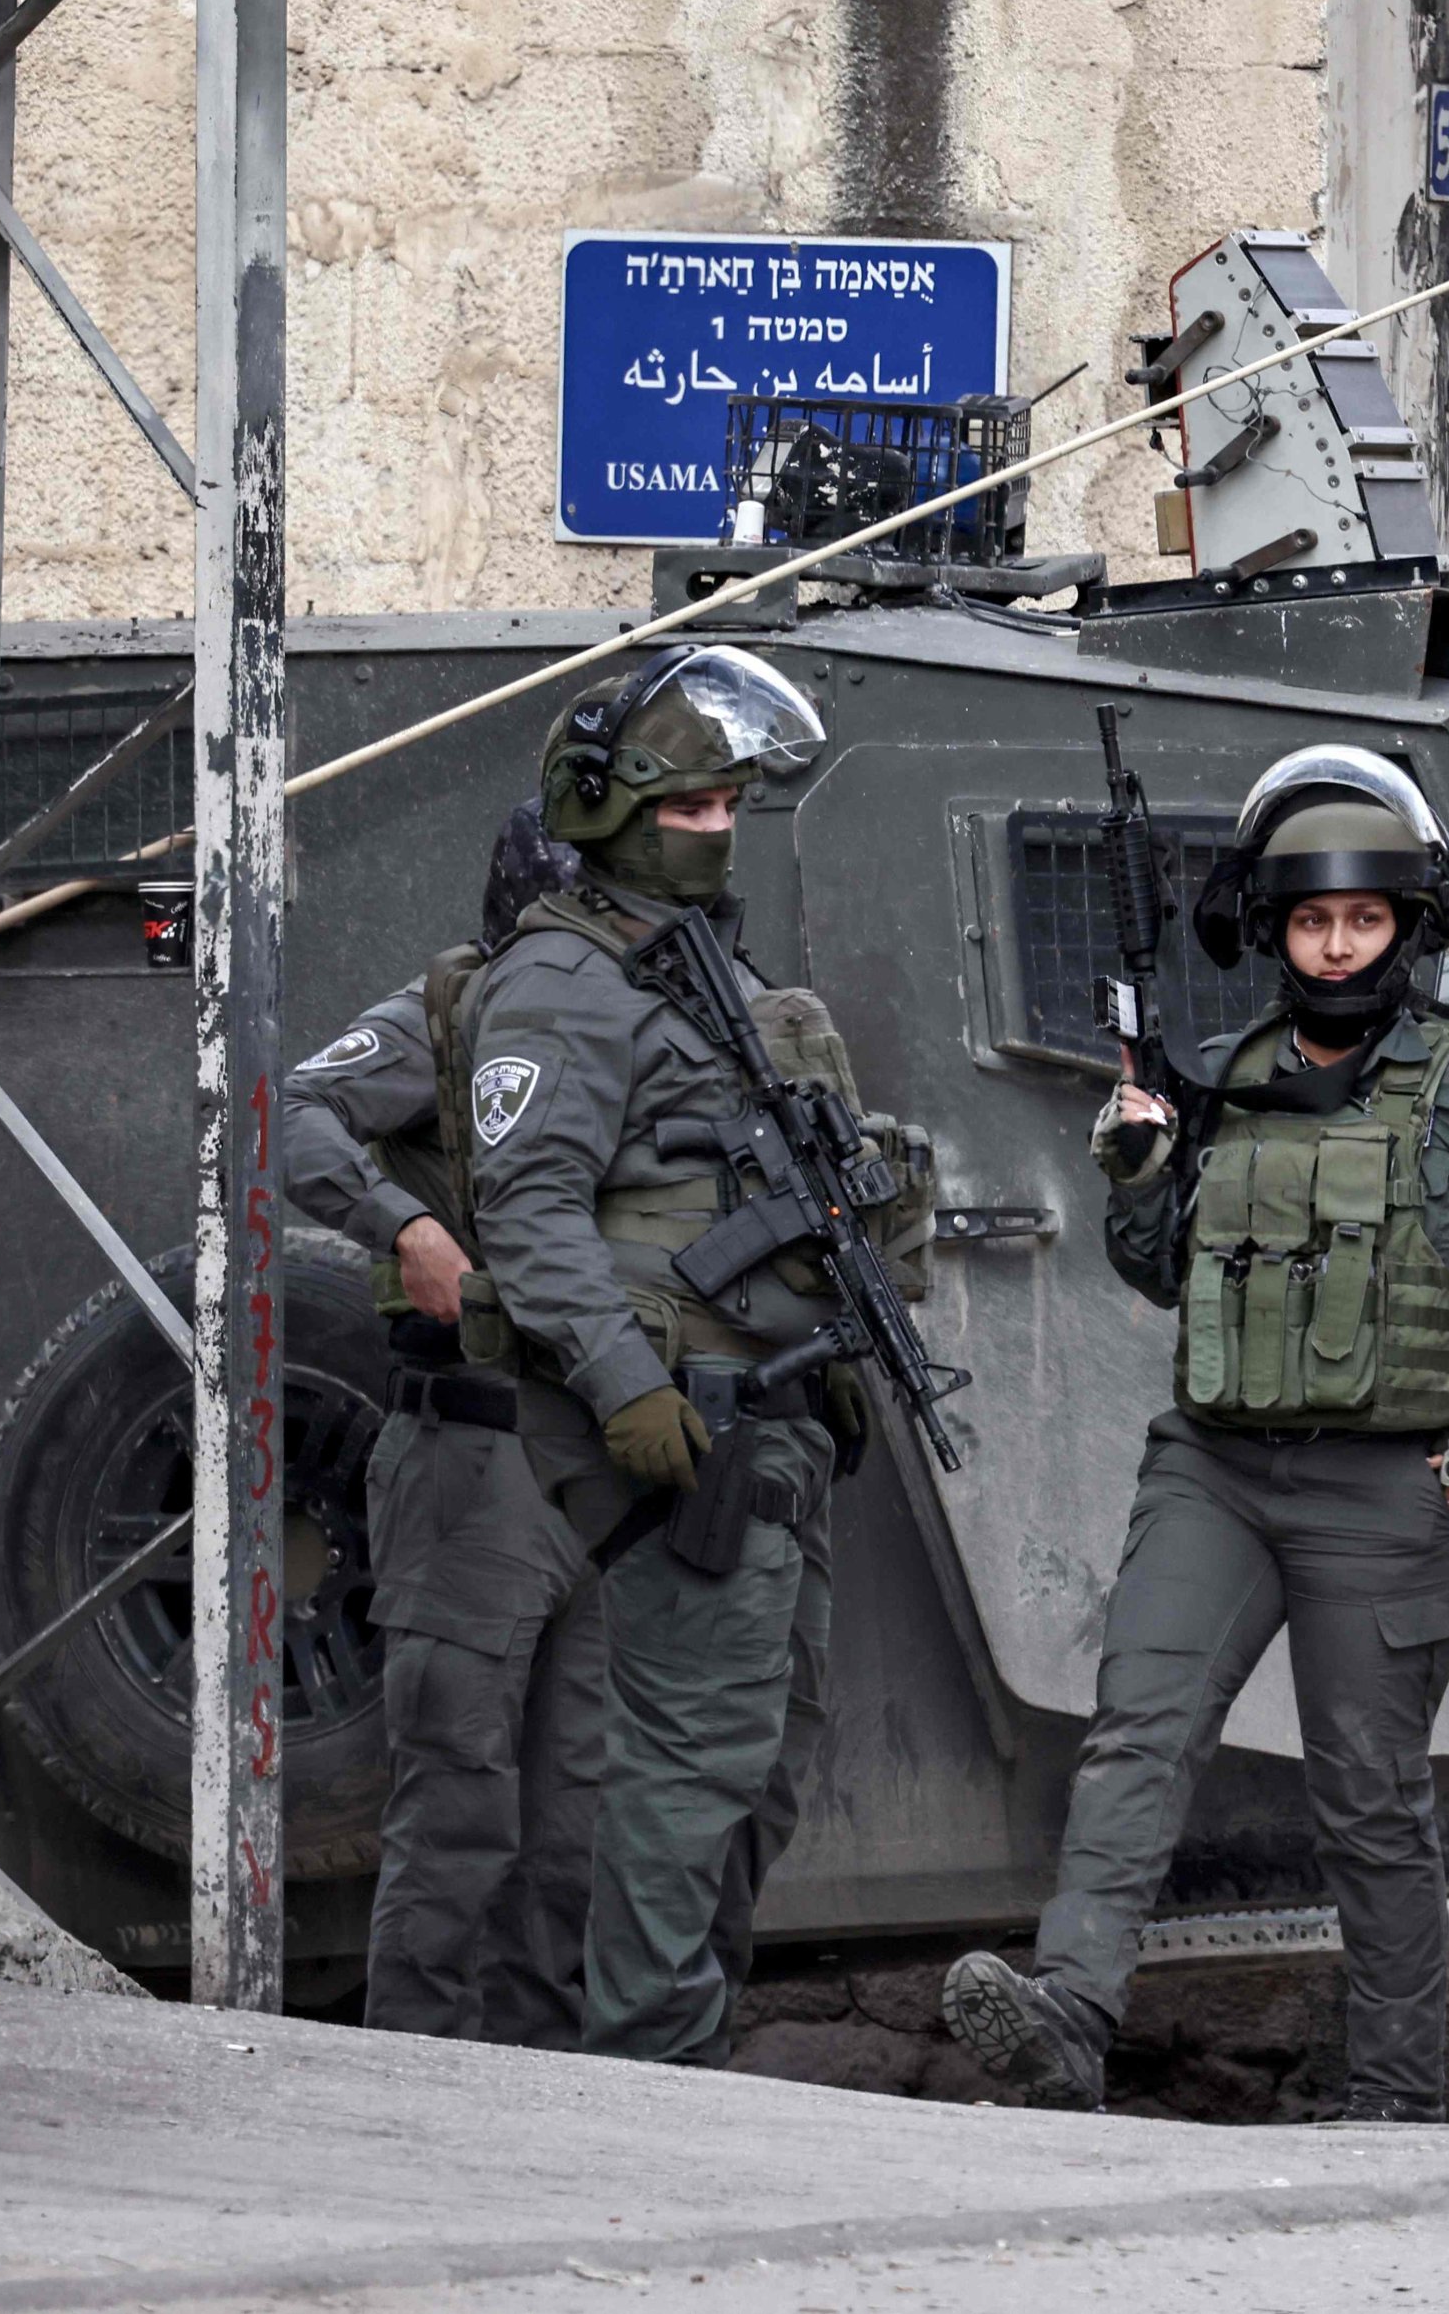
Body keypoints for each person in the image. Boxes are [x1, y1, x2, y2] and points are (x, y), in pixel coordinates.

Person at [940, 750, 1449, 2123]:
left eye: (1364, 918)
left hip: (1388, 1487)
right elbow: (1163, 1273)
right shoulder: (1233, 1073)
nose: (1336, 943)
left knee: (1369, 1802)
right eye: (1313, 920)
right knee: (1140, 1728)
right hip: (1217, 1465)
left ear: (1406, 925)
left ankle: (1394, 2097)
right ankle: (1069, 2013)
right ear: (1276, 929)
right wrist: (1134, 1171)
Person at [455, 641, 928, 2065]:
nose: (722, 831)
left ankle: (686, 2051)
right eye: (693, 809)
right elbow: (526, 1212)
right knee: (689, 1763)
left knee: (764, 1761)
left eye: (734, 806)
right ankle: (652, 2066)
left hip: (769, 1415)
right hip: (681, 1426)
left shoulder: (704, 971)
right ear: (607, 809)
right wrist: (629, 1386)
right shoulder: (557, 982)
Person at [285, 807, 612, 2047]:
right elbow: (293, 1112)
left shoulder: (654, 1028)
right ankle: (417, 2105)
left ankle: (553, 2112)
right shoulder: (451, 1016)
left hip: (612, 1461)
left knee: (580, 1820)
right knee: (459, 1806)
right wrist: (402, 1229)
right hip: (476, 1450)